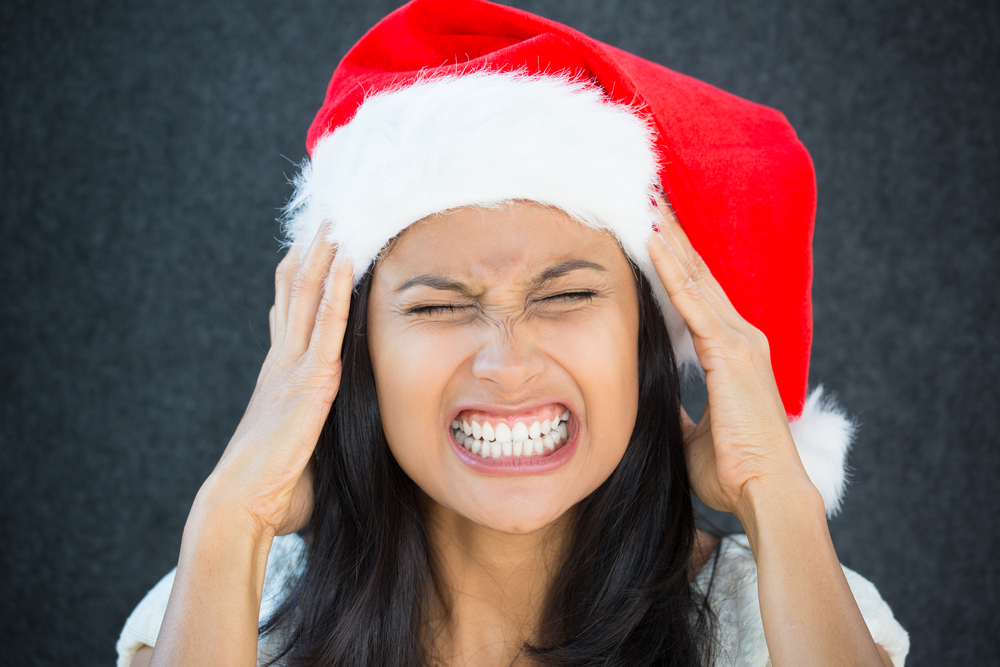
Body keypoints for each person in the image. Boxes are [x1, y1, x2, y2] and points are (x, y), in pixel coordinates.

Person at [116, 1, 909, 665]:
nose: (507, 363)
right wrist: (230, 513)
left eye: (564, 295)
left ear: (645, 341)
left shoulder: (784, 619)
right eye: (437, 306)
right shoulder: (223, 610)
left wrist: (778, 492)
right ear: (353, 358)